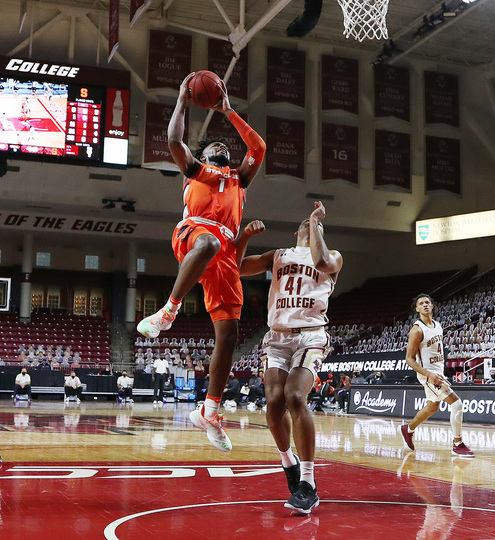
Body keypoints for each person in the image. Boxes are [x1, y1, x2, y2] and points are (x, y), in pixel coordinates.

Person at [136, 72, 266, 452]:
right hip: (194, 234)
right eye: (214, 147)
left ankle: (209, 410)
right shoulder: (198, 172)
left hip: (223, 252)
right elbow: (175, 141)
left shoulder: (240, 179)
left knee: (229, 335)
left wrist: (229, 112)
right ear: (204, 156)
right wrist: (181, 97)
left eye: (225, 146)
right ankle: (169, 311)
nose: (222, 147)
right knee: (208, 241)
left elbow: (258, 147)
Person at [237, 201, 343, 515]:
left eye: (319, 229)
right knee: (273, 401)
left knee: (295, 396)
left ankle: (308, 484)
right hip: (278, 335)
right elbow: (239, 267)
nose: (313, 231)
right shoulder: (279, 255)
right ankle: (289, 464)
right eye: (308, 228)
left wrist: (316, 224)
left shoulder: (332, 256)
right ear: (298, 232)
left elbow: (323, 261)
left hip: (311, 334)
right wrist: (244, 237)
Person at [400, 293, 475, 459]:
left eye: (428, 302)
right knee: (456, 403)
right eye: (421, 303)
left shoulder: (438, 326)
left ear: (432, 306)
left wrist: (439, 371)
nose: (425, 305)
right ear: (417, 309)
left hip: (438, 373)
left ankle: (408, 429)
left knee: (432, 407)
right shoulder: (417, 330)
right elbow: (409, 359)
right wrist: (429, 374)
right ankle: (457, 444)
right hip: (428, 376)